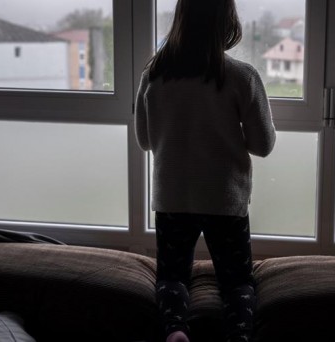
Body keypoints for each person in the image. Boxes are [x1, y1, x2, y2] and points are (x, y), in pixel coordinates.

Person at [133, 0, 276, 341]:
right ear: (227, 23)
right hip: (224, 200)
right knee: (237, 281)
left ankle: (176, 330)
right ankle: (239, 334)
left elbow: (144, 140)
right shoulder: (243, 76)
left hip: (172, 198)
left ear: (180, 21)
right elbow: (263, 145)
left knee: (172, 276)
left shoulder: (153, 76)